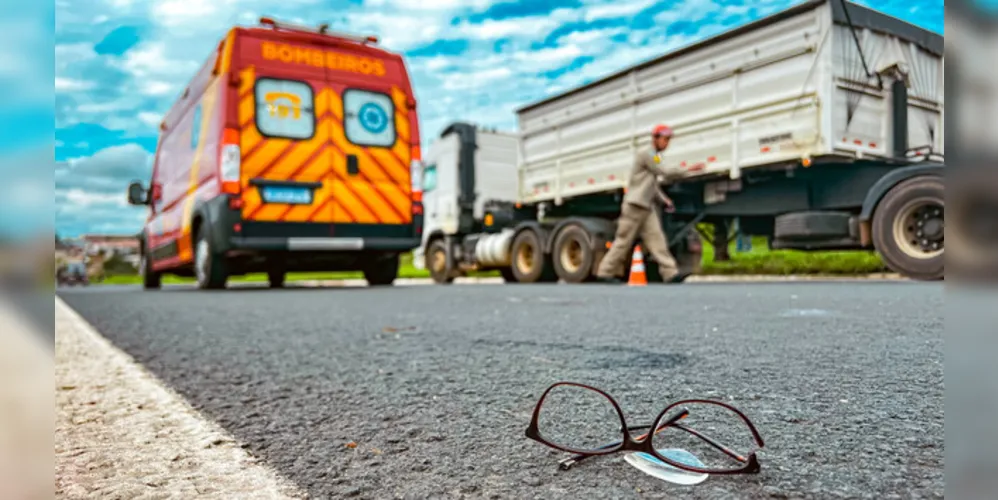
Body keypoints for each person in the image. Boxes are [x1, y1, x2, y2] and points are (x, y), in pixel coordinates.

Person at [596, 124, 690, 284]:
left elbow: (652, 184)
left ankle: (671, 273)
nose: (667, 143)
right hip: (635, 205)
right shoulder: (647, 154)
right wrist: (688, 169)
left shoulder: (655, 156)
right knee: (623, 240)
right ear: (655, 138)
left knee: (657, 240)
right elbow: (664, 172)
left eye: (669, 140)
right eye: (665, 139)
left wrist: (664, 200)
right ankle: (605, 272)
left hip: (646, 206)